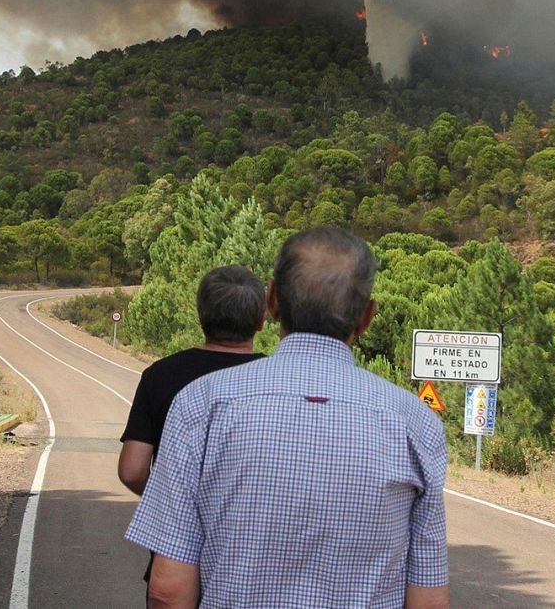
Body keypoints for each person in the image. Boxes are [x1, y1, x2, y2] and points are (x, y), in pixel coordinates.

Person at [125, 226, 449, 609]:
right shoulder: (416, 422)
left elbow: (168, 592)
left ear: (273, 300)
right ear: (367, 317)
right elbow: (428, 600)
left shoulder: (201, 404)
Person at [118, 265, 267, 586]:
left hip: (174, 557)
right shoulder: (279, 380)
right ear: (260, 320)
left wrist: (175, 500)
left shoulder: (160, 375)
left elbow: (131, 470)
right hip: (253, 558)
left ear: (201, 316)